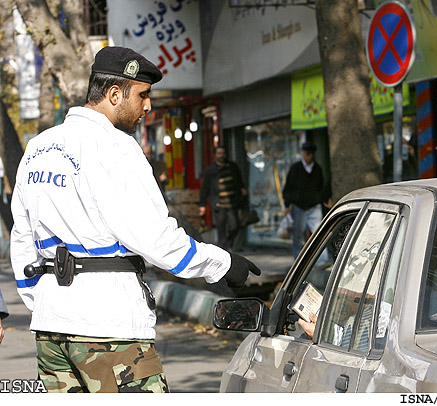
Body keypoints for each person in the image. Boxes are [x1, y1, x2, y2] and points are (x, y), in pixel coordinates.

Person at [10, 46, 260, 393]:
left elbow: (22, 241)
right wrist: (222, 263)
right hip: (109, 328)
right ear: (114, 94)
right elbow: (157, 241)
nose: (148, 107)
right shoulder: (116, 148)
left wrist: (45, 303)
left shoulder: (36, 149)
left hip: (51, 330)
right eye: (142, 95)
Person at [199, 146, 248, 250]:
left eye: (223, 153)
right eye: (219, 153)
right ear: (215, 155)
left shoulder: (232, 167)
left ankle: (228, 243)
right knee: (221, 228)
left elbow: (239, 180)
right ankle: (224, 250)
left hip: (232, 203)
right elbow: (205, 188)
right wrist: (202, 204)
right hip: (218, 204)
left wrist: (242, 188)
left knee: (235, 226)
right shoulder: (210, 170)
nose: (221, 155)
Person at [283, 141, 325, 258]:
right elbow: (288, 188)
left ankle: (322, 260)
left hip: (314, 204)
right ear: (302, 153)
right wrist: (287, 205)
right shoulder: (295, 169)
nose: (309, 156)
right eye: (307, 153)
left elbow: (320, 186)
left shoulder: (317, 169)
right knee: (298, 235)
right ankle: (298, 260)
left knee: (319, 232)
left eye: (311, 154)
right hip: (299, 206)